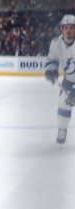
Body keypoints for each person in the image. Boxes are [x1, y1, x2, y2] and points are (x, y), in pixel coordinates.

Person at [45, 14, 75, 144]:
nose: (68, 31)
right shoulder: (56, 44)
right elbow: (52, 59)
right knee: (63, 104)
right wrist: (51, 69)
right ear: (61, 29)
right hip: (68, 82)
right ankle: (62, 129)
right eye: (66, 28)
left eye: (72, 28)